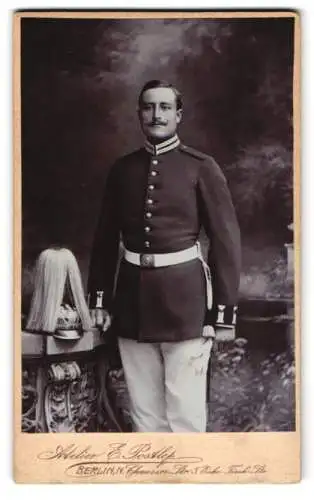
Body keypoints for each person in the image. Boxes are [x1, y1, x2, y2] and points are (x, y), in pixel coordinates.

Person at [87, 80, 241, 432]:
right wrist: (100, 298)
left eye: (165, 107)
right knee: (145, 416)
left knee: (184, 414)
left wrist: (224, 314)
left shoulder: (201, 167)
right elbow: (105, 238)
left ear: (178, 115)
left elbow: (226, 242)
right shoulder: (123, 170)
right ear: (140, 114)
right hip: (131, 303)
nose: (156, 115)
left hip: (185, 303)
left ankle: (186, 487)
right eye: (149, 107)